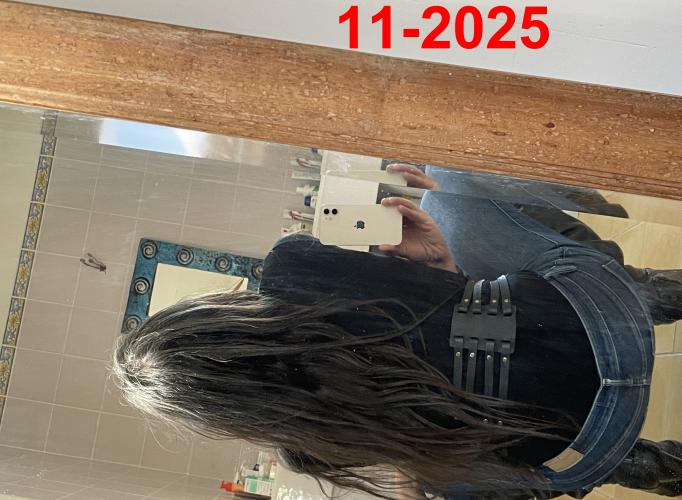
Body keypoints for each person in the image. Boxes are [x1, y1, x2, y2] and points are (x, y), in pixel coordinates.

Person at [114, 166, 682, 499]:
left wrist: (439, 271)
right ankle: (657, 292)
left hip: (590, 447)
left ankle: (655, 468)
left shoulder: (304, 448)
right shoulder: (292, 269)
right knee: (447, 186)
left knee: (467, 457)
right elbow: (458, 307)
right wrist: (440, 262)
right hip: (606, 319)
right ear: (209, 314)